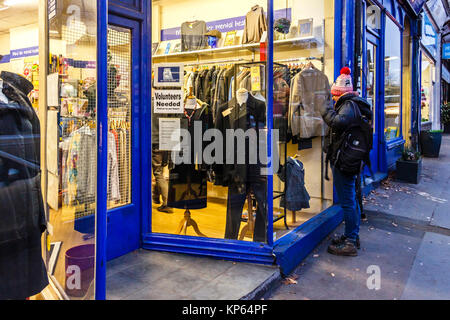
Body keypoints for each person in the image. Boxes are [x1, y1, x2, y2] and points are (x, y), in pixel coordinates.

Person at [320, 67, 372, 256]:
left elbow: (338, 122)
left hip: (345, 161)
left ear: (339, 93)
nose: (333, 99)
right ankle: (352, 235)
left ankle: (350, 241)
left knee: (348, 201)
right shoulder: (352, 104)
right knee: (351, 199)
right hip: (350, 159)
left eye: (334, 96)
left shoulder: (348, 105)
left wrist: (324, 110)